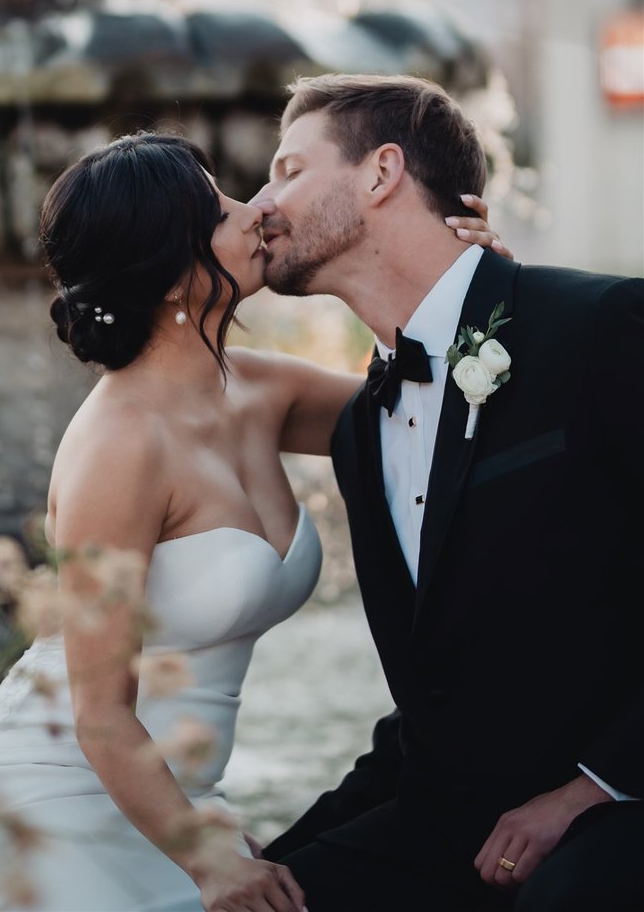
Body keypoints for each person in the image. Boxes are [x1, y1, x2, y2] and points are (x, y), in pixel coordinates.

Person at [0, 131, 506, 912]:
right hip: (52, 799)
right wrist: (208, 859)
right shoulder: (118, 449)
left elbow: (436, 407)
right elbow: (99, 715)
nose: (255, 213)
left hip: (176, 799)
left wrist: (476, 283)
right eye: (218, 210)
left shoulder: (261, 390)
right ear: (168, 273)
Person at [249, 74, 644, 911]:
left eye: (287, 169)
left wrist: (596, 787)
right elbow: (431, 715)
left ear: (381, 172)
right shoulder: (362, 429)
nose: (262, 203)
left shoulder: (602, 326)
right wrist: (279, 859)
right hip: (456, 827)